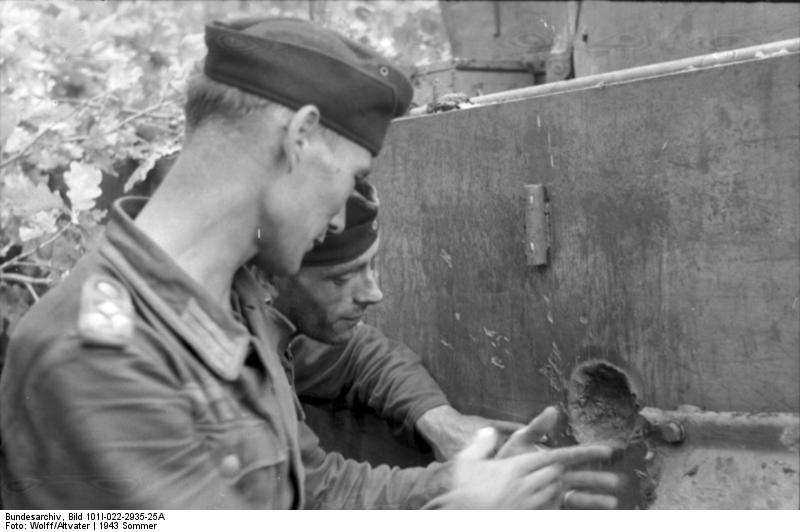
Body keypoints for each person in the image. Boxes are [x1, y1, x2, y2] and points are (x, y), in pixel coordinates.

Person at [0, 17, 619, 510]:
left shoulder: (231, 302)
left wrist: (458, 483)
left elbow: (315, 492)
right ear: (299, 138)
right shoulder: (96, 353)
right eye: (352, 176)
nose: (335, 220)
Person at [271, 182, 523, 462]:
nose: (374, 294)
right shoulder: (236, 362)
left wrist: (438, 419)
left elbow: (358, 354)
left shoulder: (282, 325)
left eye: (372, 266)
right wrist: (460, 483)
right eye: (341, 279)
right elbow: (322, 491)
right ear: (271, 278)